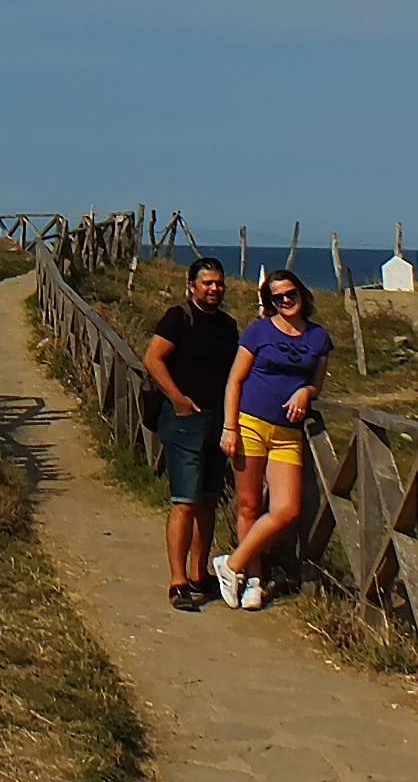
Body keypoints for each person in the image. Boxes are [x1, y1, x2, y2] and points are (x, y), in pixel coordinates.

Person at [212, 269, 332, 611]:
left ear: (301, 293)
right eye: (277, 297)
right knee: (249, 504)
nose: (285, 301)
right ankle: (253, 580)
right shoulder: (259, 331)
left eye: (289, 293)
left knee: (286, 509)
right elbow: (235, 381)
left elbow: (316, 384)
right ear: (270, 301)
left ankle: (231, 564)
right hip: (250, 424)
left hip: (286, 434)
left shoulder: (319, 338)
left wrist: (306, 392)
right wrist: (229, 427)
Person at [143, 257, 239, 610]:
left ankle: (199, 573)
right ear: (192, 286)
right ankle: (177, 580)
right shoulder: (178, 318)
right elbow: (153, 358)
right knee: (184, 501)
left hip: (218, 419)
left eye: (219, 283)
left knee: (209, 499)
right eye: (207, 283)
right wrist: (178, 399)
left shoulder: (228, 326)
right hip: (184, 420)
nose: (214, 289)